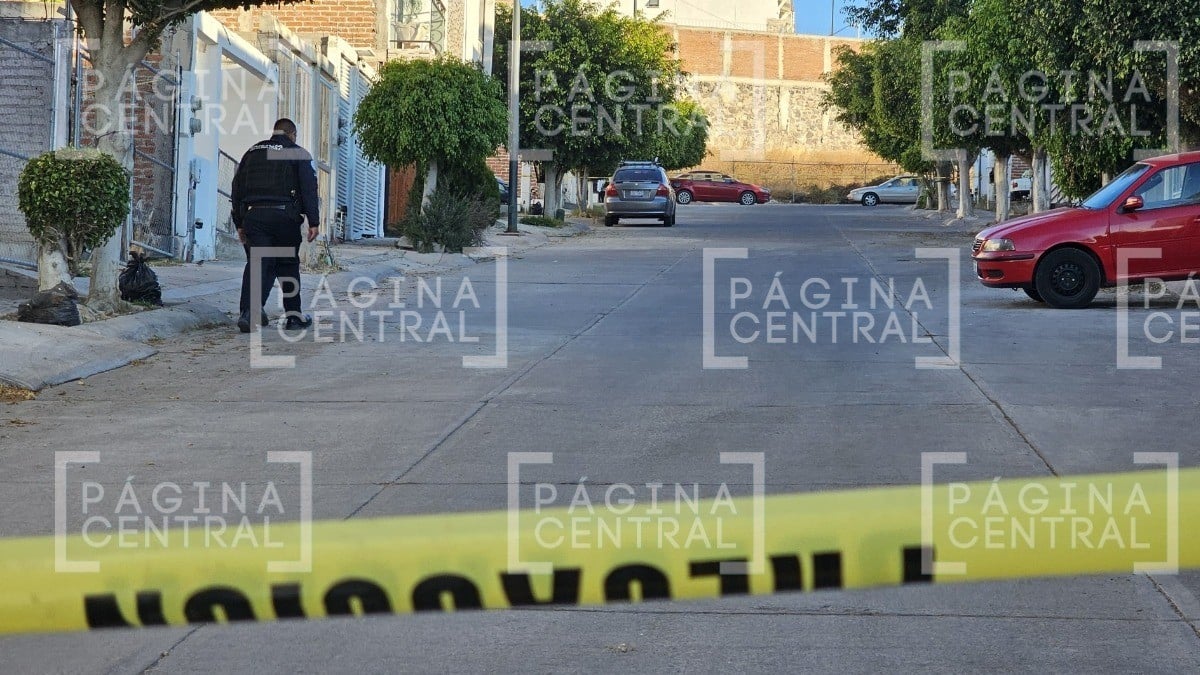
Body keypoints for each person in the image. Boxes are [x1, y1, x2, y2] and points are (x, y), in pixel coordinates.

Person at [231, 118, 320, 333]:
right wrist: (314, 221)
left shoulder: (252, 152)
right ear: (292, 134)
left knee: (258, 262)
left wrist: (240, 223)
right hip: (284, 217)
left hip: (255, 216)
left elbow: (237, 188)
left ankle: (249, 312)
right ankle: (293, 316)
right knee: (287, 264)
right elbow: (309, 188)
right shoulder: (296, 152)